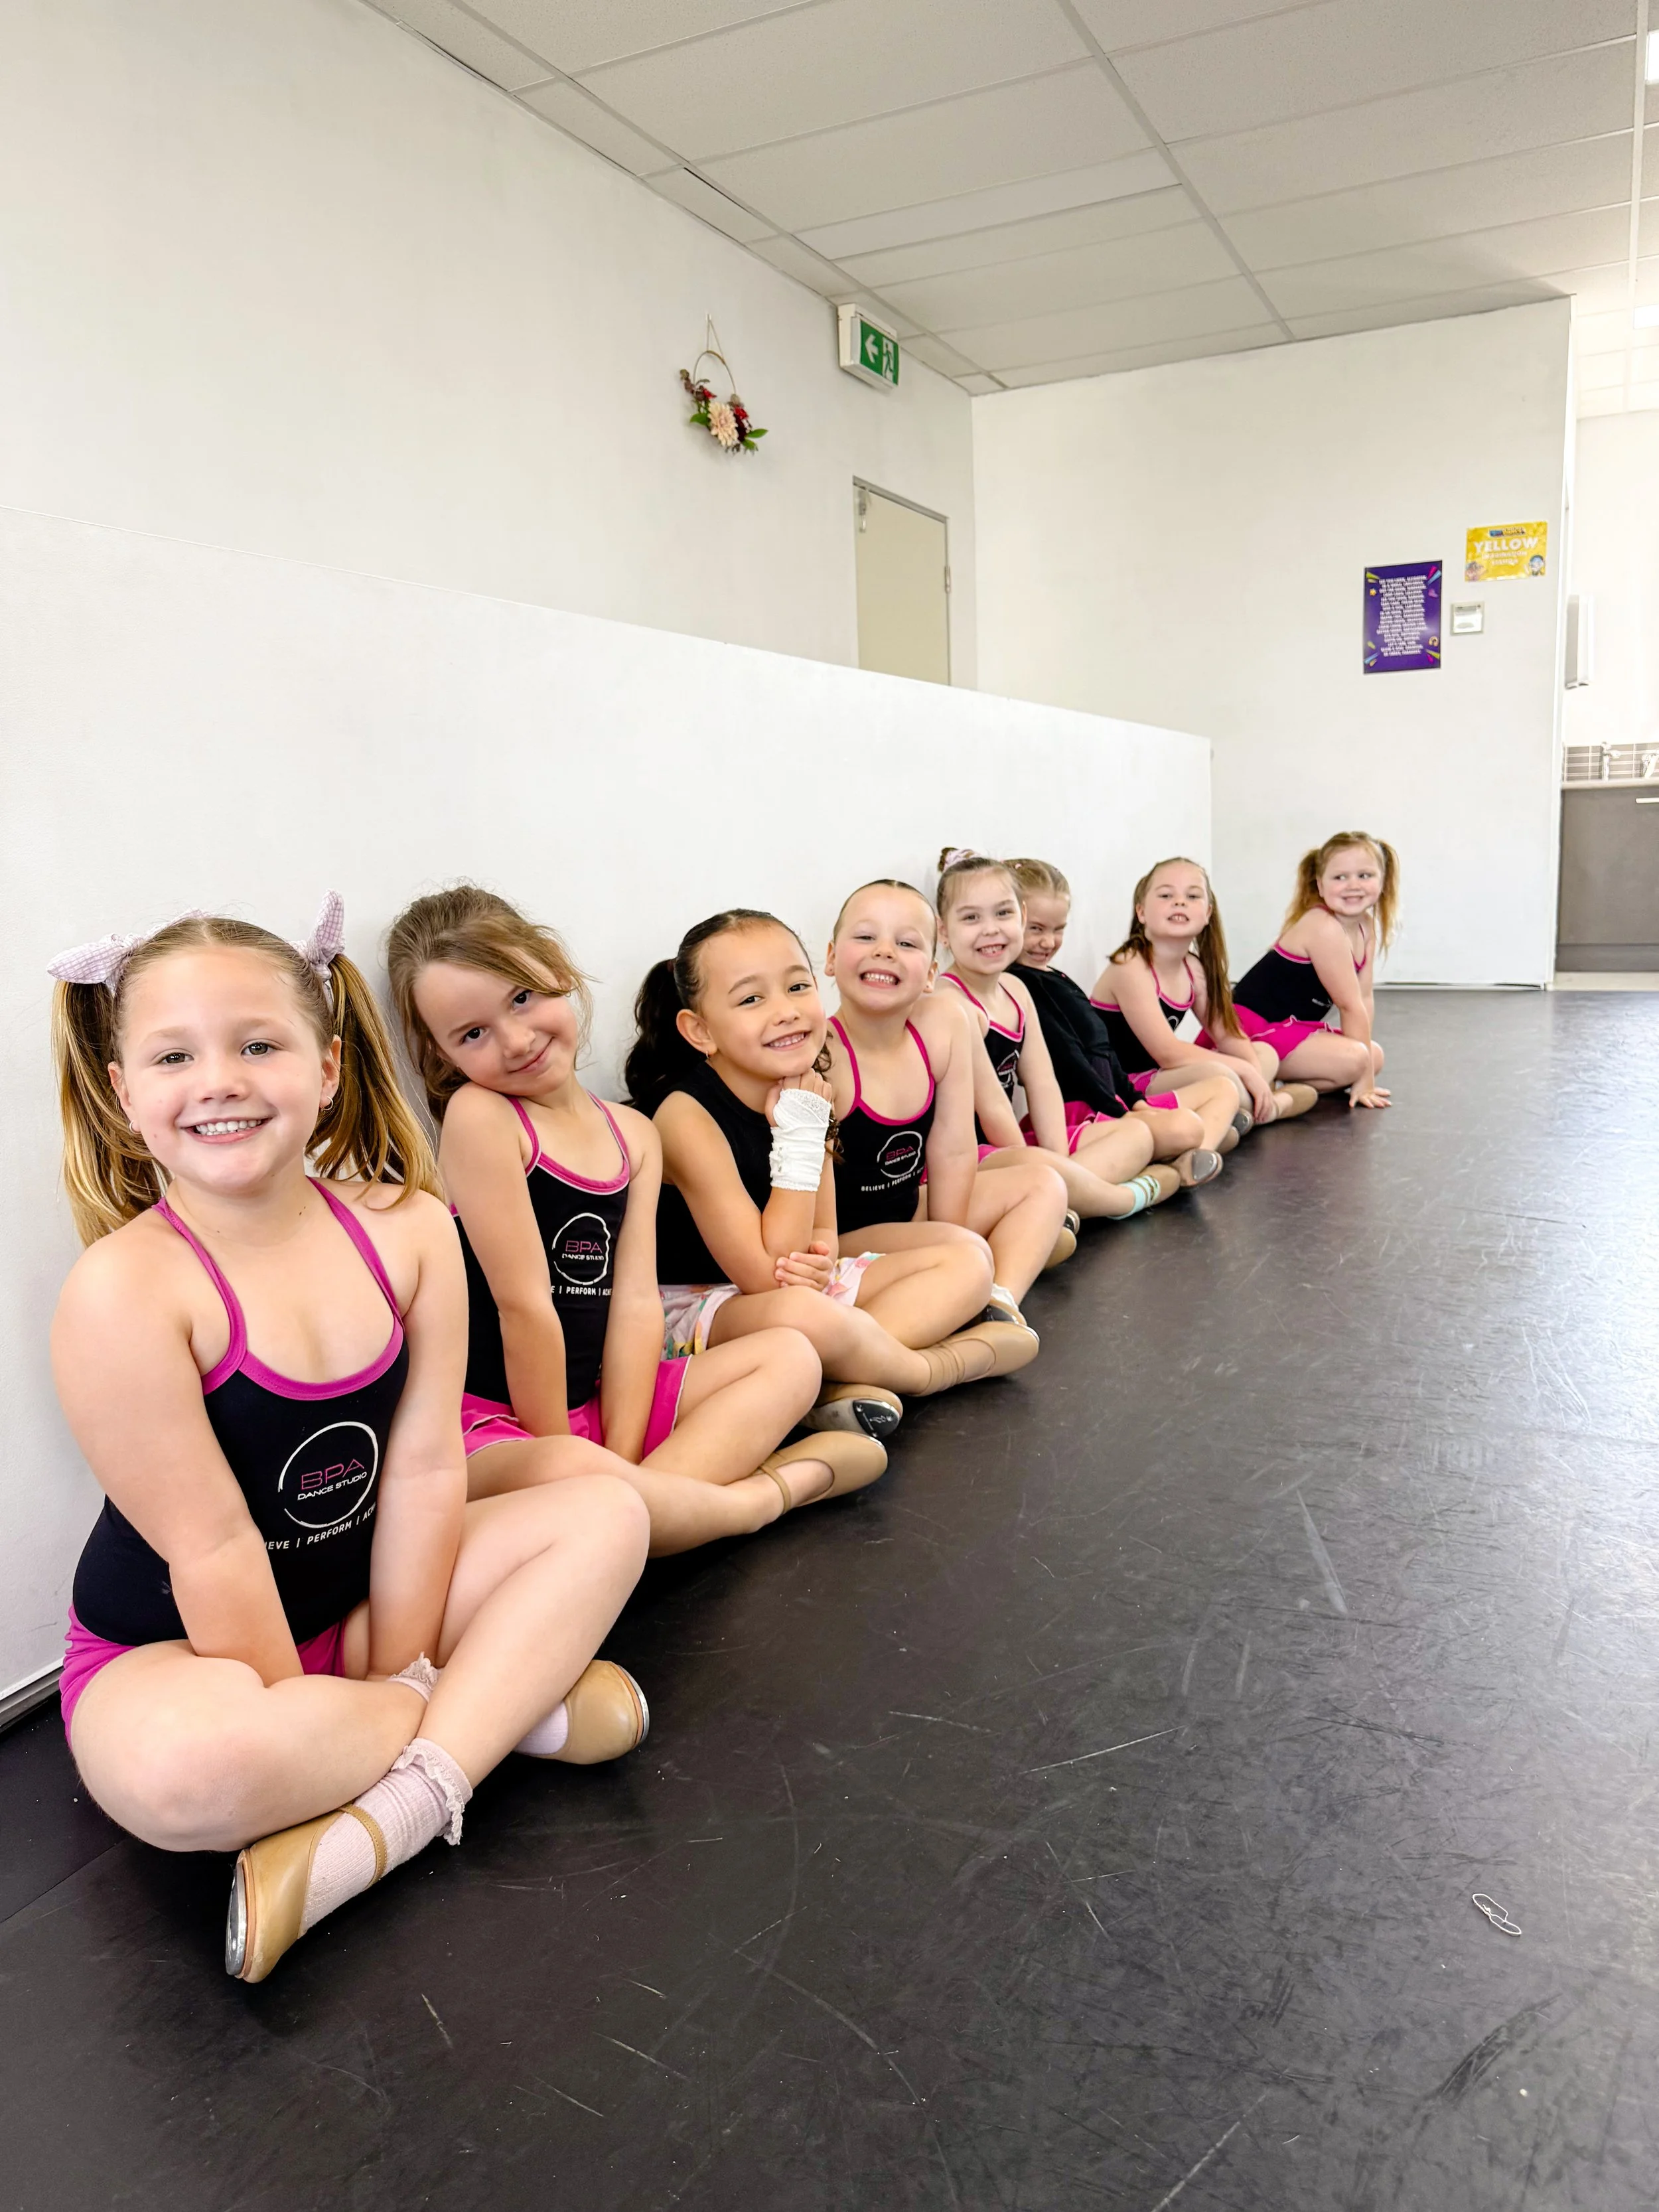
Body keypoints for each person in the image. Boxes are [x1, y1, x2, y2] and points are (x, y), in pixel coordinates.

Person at [50, 899, 651, 1985]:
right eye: (176, 1053)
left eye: (258, 1043)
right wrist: (302, 1712)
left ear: (327, 1067)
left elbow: (425, 1468)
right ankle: (492, 1714)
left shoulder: (409, 1226)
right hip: (182, 1653)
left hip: (369, 1606)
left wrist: (397, 1659)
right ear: (122, 1089)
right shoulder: (125, 1290)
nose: (221, 1078)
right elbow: (216, 1551)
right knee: (193, 1775)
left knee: (609, 1506)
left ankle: (397, 1809)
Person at [386, 887, 883, 1553]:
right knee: (577, 1474)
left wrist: (620, 1452)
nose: (515, 1039)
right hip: (497, 1425)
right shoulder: (483, 1117)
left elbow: (635, 1308)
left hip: (598, 1408)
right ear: (442, 1053)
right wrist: (569, 1456)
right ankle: (765, 1496)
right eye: (472, 1034)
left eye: (522, 999)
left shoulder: (632, 1134)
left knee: (790, 1358)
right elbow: (523, 1307)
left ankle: (632, 1521)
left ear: (556, 970)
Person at [624, 908, 1039, 1431]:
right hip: (704, 1301)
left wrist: (821, 1261)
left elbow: (825, 1233)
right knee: (805, 1315)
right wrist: (799, 1133)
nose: (786, 1011)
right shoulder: (685, 1116)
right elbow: (762, 1277)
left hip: (786, 1285)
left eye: (798, 986)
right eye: (752, 999)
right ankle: (928, 1370)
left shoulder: (809, 1085)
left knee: (969, 1258)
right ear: (701, 1030)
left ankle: (842, 1382)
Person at [822, 878, 1072, 1325]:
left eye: (906, 942)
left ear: (932, 974)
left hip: (909, 1209)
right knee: (966, 1250)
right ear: (830, 957)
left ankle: (997, 1305)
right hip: (845, 1237)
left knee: (1044, 1184)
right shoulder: (824, 1053)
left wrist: (948, 1233)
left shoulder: (942, 1022)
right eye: (865, 936)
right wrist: (952, 1244)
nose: (885, 950)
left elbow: (954, 1149)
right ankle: (970, 1281)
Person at [933, 848, 1188, 1218]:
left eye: (1003, 913)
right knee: (1046, 1174)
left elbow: (1043, 1083)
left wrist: (1058, 1157)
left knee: (1136, 1135)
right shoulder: (950, 1000)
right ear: (943, 931)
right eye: (971, 918)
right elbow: (992, 1108)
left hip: (1010, 1148)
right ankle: (1125, 1197)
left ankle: (1061, 1207)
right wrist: (1031, 1167)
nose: (991, 929)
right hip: (968, 1157)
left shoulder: (1016, 991)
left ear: (1021, 916)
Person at [1078, 856, 1315, 1132]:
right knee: (1223, 1074)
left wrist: (1253, 1070)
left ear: (1208, 913)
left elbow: (1226, 1033)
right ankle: (1272, 1108)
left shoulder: (1193, 968)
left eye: (1192, 896)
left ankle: (1242, 1111)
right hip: (1127, 1084)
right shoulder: (1131, 965)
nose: (1180, 902)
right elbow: (1168, 1053)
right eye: (1166, 895)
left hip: (1161, 1075)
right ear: (1141, 912)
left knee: (1264, 1053)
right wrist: (1247, 1073)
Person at [1231, 832, 1397, 1107]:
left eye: (1364, 876)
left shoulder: (1366, 926)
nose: (1352, 885)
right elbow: (1349, 1005)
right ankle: (1260, 1083)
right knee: (1358, 1058)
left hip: (1289, 1029)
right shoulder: (1322, 926)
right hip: (1251, 1030)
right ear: (1320, 885)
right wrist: (1364, 1081)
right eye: (1339, 877)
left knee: (1373, 1055)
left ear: (1382, 881)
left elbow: (1364, 999)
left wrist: (1366, 1075)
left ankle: (1273, 1093)